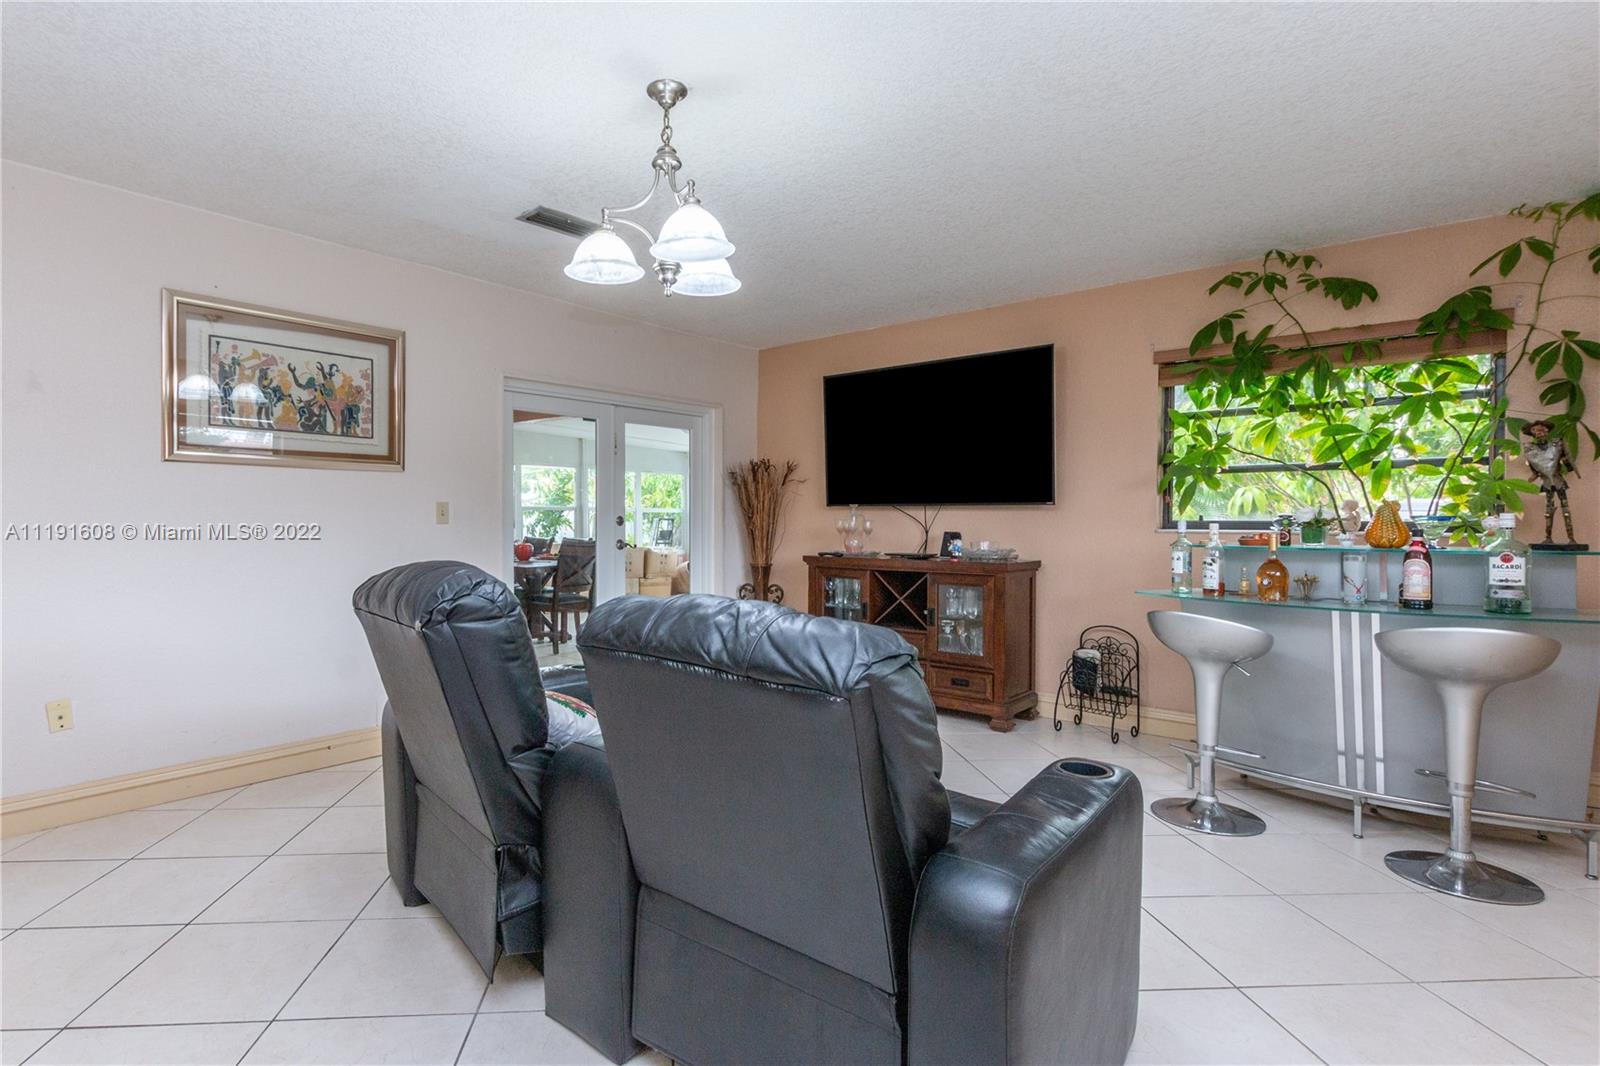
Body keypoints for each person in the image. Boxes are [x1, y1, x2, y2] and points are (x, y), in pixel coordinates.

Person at [1522, 419, 1581, 545]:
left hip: (1558, 480)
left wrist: (1566, 462)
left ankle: (1571, 538)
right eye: (1536, 430)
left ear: (1547, 431)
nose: (1540, 433)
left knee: (1565, 510)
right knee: (1548, 511)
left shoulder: (1556, 444)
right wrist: (1535, 475)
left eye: (1542, 430)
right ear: (1532, 433)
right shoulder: (1530, 449)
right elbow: (1535, 468)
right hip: (1547, 482)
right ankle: (1548, 537)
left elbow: (1567, 462)